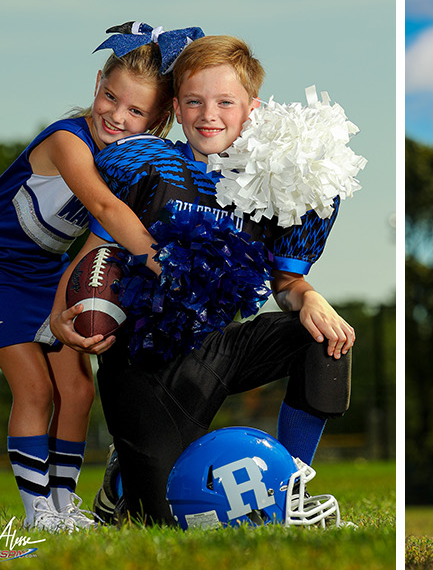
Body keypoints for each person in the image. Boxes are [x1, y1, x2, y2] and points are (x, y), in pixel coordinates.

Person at [52, 33, 355, 525]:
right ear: (176, 105)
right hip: (140, 362)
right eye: (194, 101)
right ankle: (123, 481)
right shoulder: (145, 165)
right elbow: (94, 253)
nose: (208, 114)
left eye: (225, 102)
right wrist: (59, 315)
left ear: (251, 109)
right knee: (167, 521)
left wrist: (310, 297)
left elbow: (285, 283)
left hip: (218, 349)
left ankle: (290, 481)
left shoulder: (275, 179)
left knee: (324, 336)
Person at [0, 26, 175, 530]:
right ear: (97, 82)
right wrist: (164, 262)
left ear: (159, 119)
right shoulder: (66, 139)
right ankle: (36, 515)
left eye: (135, 111)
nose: (116, 115)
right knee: (35, 390)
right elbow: (101, 206)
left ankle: (62, 506)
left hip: (45, 269)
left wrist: (62, 309)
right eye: (110, 96)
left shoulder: (126, 164)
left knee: (76, 391)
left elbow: (95, 243)